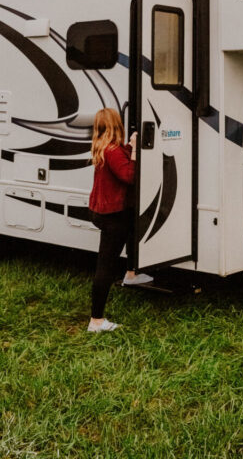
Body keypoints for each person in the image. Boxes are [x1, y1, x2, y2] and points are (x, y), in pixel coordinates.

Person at [87, 107, 153, 332]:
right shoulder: (113, 151)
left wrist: (130, 145)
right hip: (112, 215)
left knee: (134, 228)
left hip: (105, 211)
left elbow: (119, 159)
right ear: (117, 125)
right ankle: (96, 321)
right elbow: (129, 175)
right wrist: (134, 151)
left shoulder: (104, 147)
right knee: (105, 267)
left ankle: (131, 273)